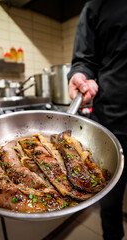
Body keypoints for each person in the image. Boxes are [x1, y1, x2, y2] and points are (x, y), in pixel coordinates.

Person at [67, 0, 127, 239]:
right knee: (110, 203)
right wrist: (79, 75)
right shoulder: (97, 5)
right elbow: (85, 61)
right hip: (112, 125)